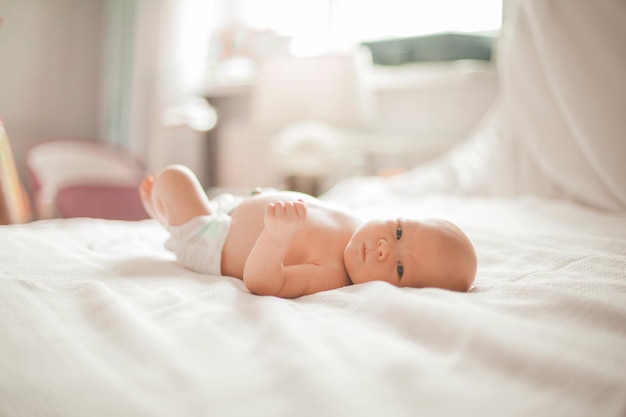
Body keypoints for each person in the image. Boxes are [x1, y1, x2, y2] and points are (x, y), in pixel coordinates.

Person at [139, 164, 477, 298]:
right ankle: (169, 213)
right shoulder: (355, 224)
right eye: (400, 232)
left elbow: (264, 283)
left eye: (399, 268)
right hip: (234, 207)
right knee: (177, 187)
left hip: (213, 238)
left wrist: (276, 237)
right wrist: (268, 199)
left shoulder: (332, 274)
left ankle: (169, 220)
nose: (385, 248)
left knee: (175, 178)